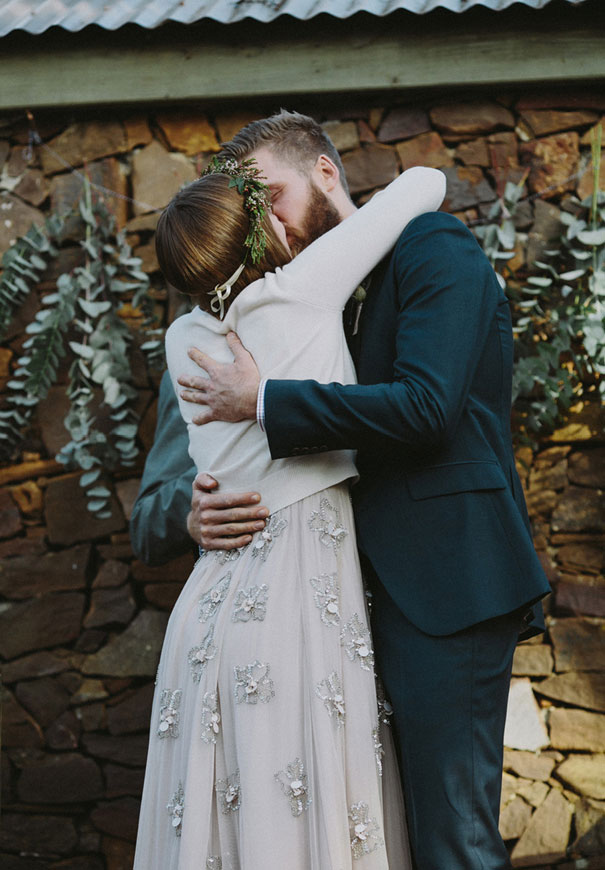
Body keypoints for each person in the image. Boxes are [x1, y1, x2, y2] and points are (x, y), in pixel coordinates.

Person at [170, 111, 551, 870]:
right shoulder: (291, 297)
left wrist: (268, 401)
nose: (263, 223)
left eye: (270, 195)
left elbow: (427, 406)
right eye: (250, 210)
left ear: (323, 172)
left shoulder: (431, 247)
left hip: (445, 586)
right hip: (340, 601)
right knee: (384, 837)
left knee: (453, 839)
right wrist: (200, 507)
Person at [132, 148, 447, 870]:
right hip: (295, 603)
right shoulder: (304, 291)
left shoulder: (182, 340)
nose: (279, 215)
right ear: (258, 235)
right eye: (264, 209)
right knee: (304, 800)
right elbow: (426, 182)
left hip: (209, 616)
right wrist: (185, 513)